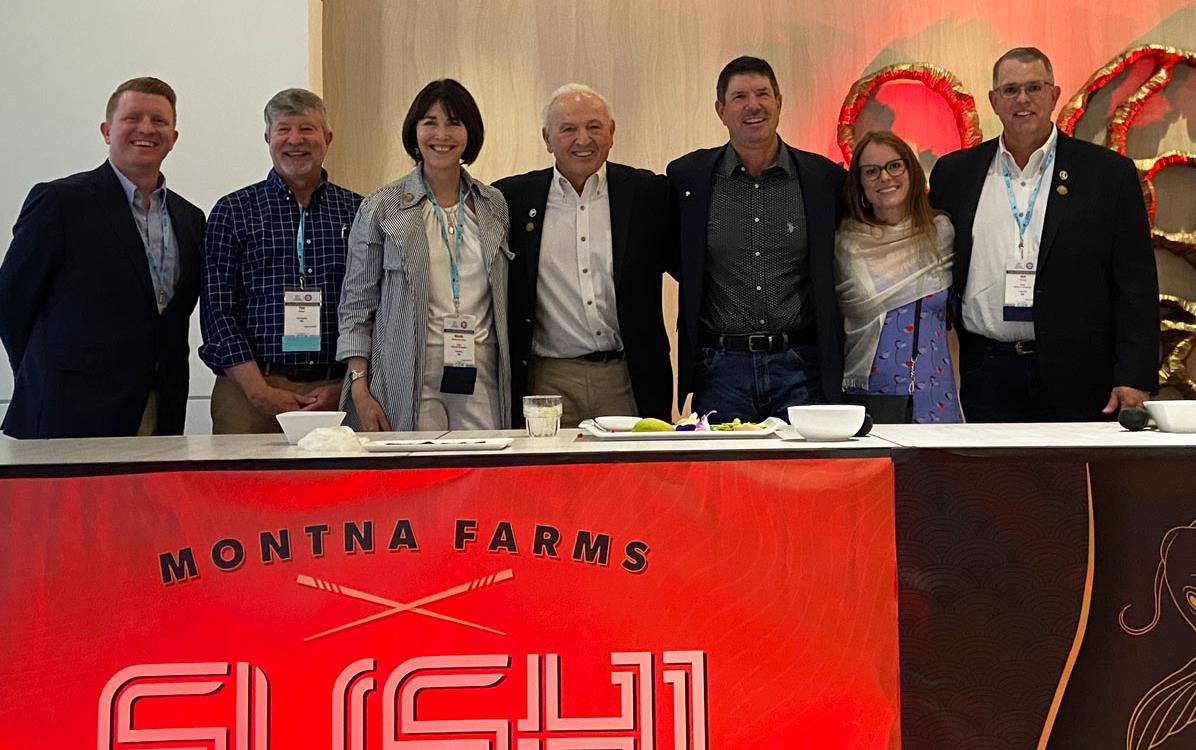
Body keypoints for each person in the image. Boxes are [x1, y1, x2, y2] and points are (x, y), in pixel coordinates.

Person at [929, 47, 1158, 422]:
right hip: (985, 370)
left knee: (1071, 479)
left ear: (1054, 95)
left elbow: (1136, 283)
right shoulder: (955, 173)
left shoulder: (1107, 175)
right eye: (1010, 90)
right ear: (993, 101)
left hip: (1079, 373)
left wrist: (1135, 373)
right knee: (993, 481)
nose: (1023, 99)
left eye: (1034, 87)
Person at [0, 77, 205, 439]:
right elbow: (11, 302)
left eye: (159, 121)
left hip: (161, 407)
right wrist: (40, 374)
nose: (146, 129)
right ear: (107, 130)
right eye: (132, 118)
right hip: (69, 410)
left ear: (173, 138)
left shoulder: (190, 218)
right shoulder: (60, 202)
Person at [667, 56, 847, 423]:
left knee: (804, 476)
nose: (753, 105)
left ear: (779, 102)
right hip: (721, 369)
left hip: (801, 367)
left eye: (763, 93)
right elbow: (676, 257)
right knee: (725, 478)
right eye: (739, 97)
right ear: (721, 110)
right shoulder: (688, 178)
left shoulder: (822, 179)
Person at [337, 79, 512, 431]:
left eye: (453, 122)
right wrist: (359, 387)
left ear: (469, 133)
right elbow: (356, 304)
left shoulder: (494, 205)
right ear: (414, 131)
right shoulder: (382, 207)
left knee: (480, 475)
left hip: (481, 373)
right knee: (416, 478)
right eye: (430, 122)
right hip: (406, 376)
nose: (441, 134)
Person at [494, 84, 673, 427]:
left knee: (631, 479)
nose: (583, 139)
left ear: (612, 132)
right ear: (547, 138)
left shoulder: (648, 194)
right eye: (568, 129)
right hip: (546, 381)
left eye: (594, 127)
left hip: (625, 376)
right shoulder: (512, 199)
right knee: (551, 479)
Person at [200, 88, 363, 434]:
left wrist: (346, 387)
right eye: (283, 129)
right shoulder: (233, 211)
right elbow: (217, 310)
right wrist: (258, 390)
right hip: (248, 391)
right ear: (267, 137)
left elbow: (373, 308)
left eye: (307, 129)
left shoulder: (360, 212)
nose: (295, 140)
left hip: (334, 391)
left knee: (334, 488)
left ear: (327, 137)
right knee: (243, 486)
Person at [836, 130, 959, 423]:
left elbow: (954, 322)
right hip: (871, 391)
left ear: (911, 171)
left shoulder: (940, 233)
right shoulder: (847, 244)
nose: (885, 177)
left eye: (895, 166)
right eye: (871, 171)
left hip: (934, 387)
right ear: (860, 185)